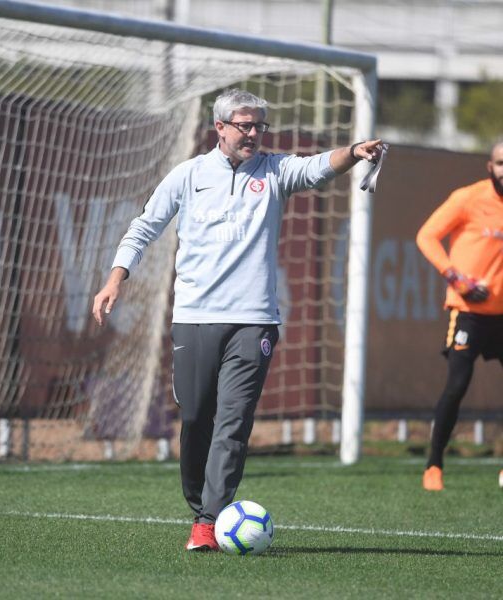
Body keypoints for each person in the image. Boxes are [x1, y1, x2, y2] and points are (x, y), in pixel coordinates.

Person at [92, 88, 384, 549]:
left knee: (233, 422)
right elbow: (144, 226)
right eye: (244, 125)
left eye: (259, 126)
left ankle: (208, 521)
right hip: (194, 317)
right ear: (221, 128)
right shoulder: (188, 176)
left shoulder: (274, 171)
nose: (253, 134)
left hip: (255, 321)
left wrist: (353, 152)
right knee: (196, 418)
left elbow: (314, 168)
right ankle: (199, 502)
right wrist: (114, 279)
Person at [416, 140, 503, 492]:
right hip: (468, 313)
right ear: (490, 166)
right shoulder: (469, 198)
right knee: (456, 386)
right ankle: (434, 464)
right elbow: (427, 236)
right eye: (501, 163)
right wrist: (457, 278)